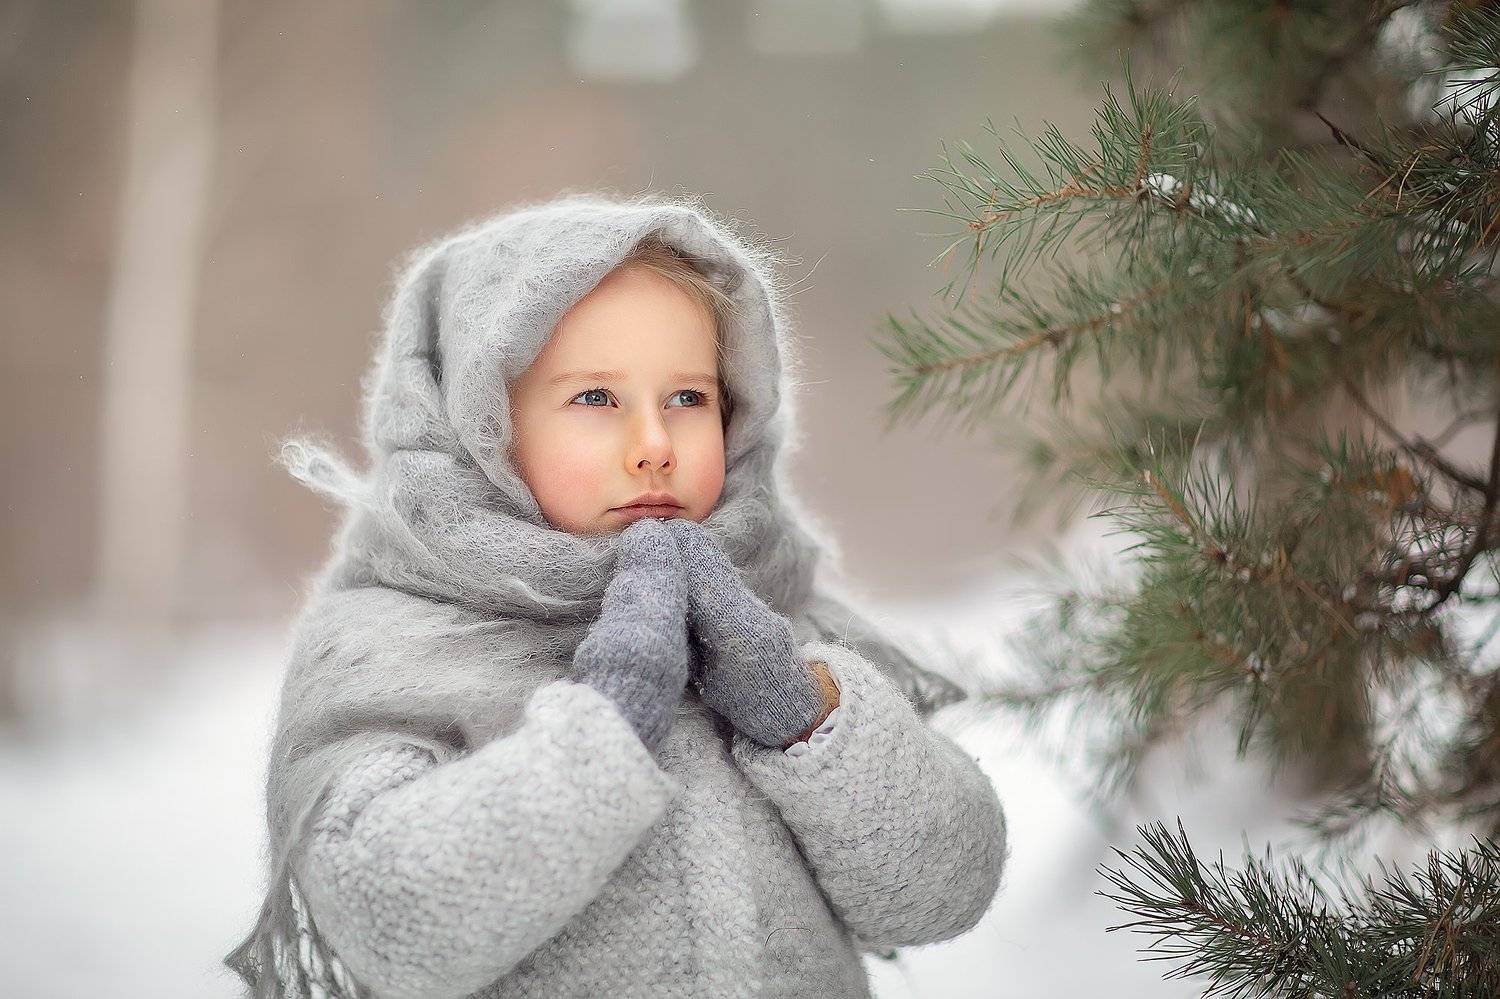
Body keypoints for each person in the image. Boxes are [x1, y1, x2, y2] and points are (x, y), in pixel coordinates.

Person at [223, 191, 1009, 999]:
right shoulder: (394, 642)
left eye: (688, 398)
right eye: (595, 398)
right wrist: (606, 723)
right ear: (481, 424)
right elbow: (389, 919)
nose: (655, 446)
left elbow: (947, 888)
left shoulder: (776, 611)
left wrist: (802, 715)